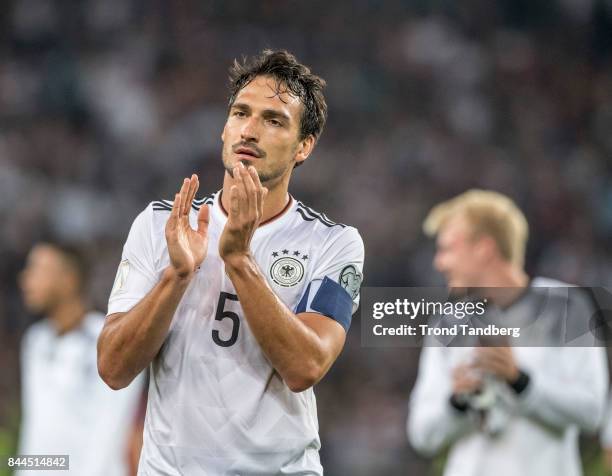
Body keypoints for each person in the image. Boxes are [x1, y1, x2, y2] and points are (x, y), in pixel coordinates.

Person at [97, 49, 365, 475]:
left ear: (304, 147)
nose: (250, 130)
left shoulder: (333, 243)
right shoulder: (160, 225)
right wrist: (177, 276)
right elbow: (112, 368)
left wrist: (239, 261)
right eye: (241, 113)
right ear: (223, 130)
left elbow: (306, 366)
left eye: (274, 120)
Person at [407, 190, 608, 476]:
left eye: (448, 249)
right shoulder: (448, 323)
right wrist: (457, 401)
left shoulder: (566, 306)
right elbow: (421, 435)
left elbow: (592, 411)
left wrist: (520, 381)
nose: (439, 262)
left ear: (484, 248)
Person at [18, 242, 144, 476]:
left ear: (69, 279)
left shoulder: (108, 343)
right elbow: (35, 425)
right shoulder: (35, 342)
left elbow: (112, 427)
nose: (26, 278)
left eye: (38, 269)